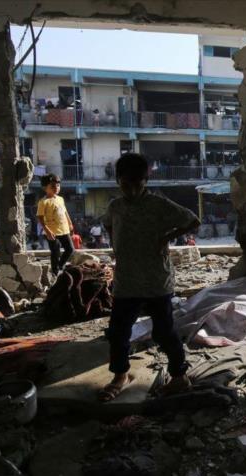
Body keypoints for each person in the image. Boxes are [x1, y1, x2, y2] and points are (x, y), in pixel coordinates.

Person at [99, 153, 200, 401]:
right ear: (118, 181)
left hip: (156, 281)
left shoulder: (158, 204)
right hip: (127, 281)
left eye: (138, 184)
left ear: (146, 181)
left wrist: (166, 238)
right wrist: (116, 245)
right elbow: (108, 224)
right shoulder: (115, 207)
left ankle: (179, 377)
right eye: (126, 185)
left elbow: (192, 220)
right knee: (118, 332)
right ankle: (120, 375)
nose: (133, 191)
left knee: (164, 332)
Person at [36, 174, 75, 275]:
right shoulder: (43, 202)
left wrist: (70, 224)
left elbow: (65, 212)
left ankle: (60, 266)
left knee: (70, 249)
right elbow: (40, 217)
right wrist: (47, 231)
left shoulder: (60, 199)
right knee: (55, 252)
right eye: (52, 186)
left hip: (64, 230)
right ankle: (55, 272)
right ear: (45, 188)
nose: (56, 188)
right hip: (52, 232)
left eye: (58, 185)